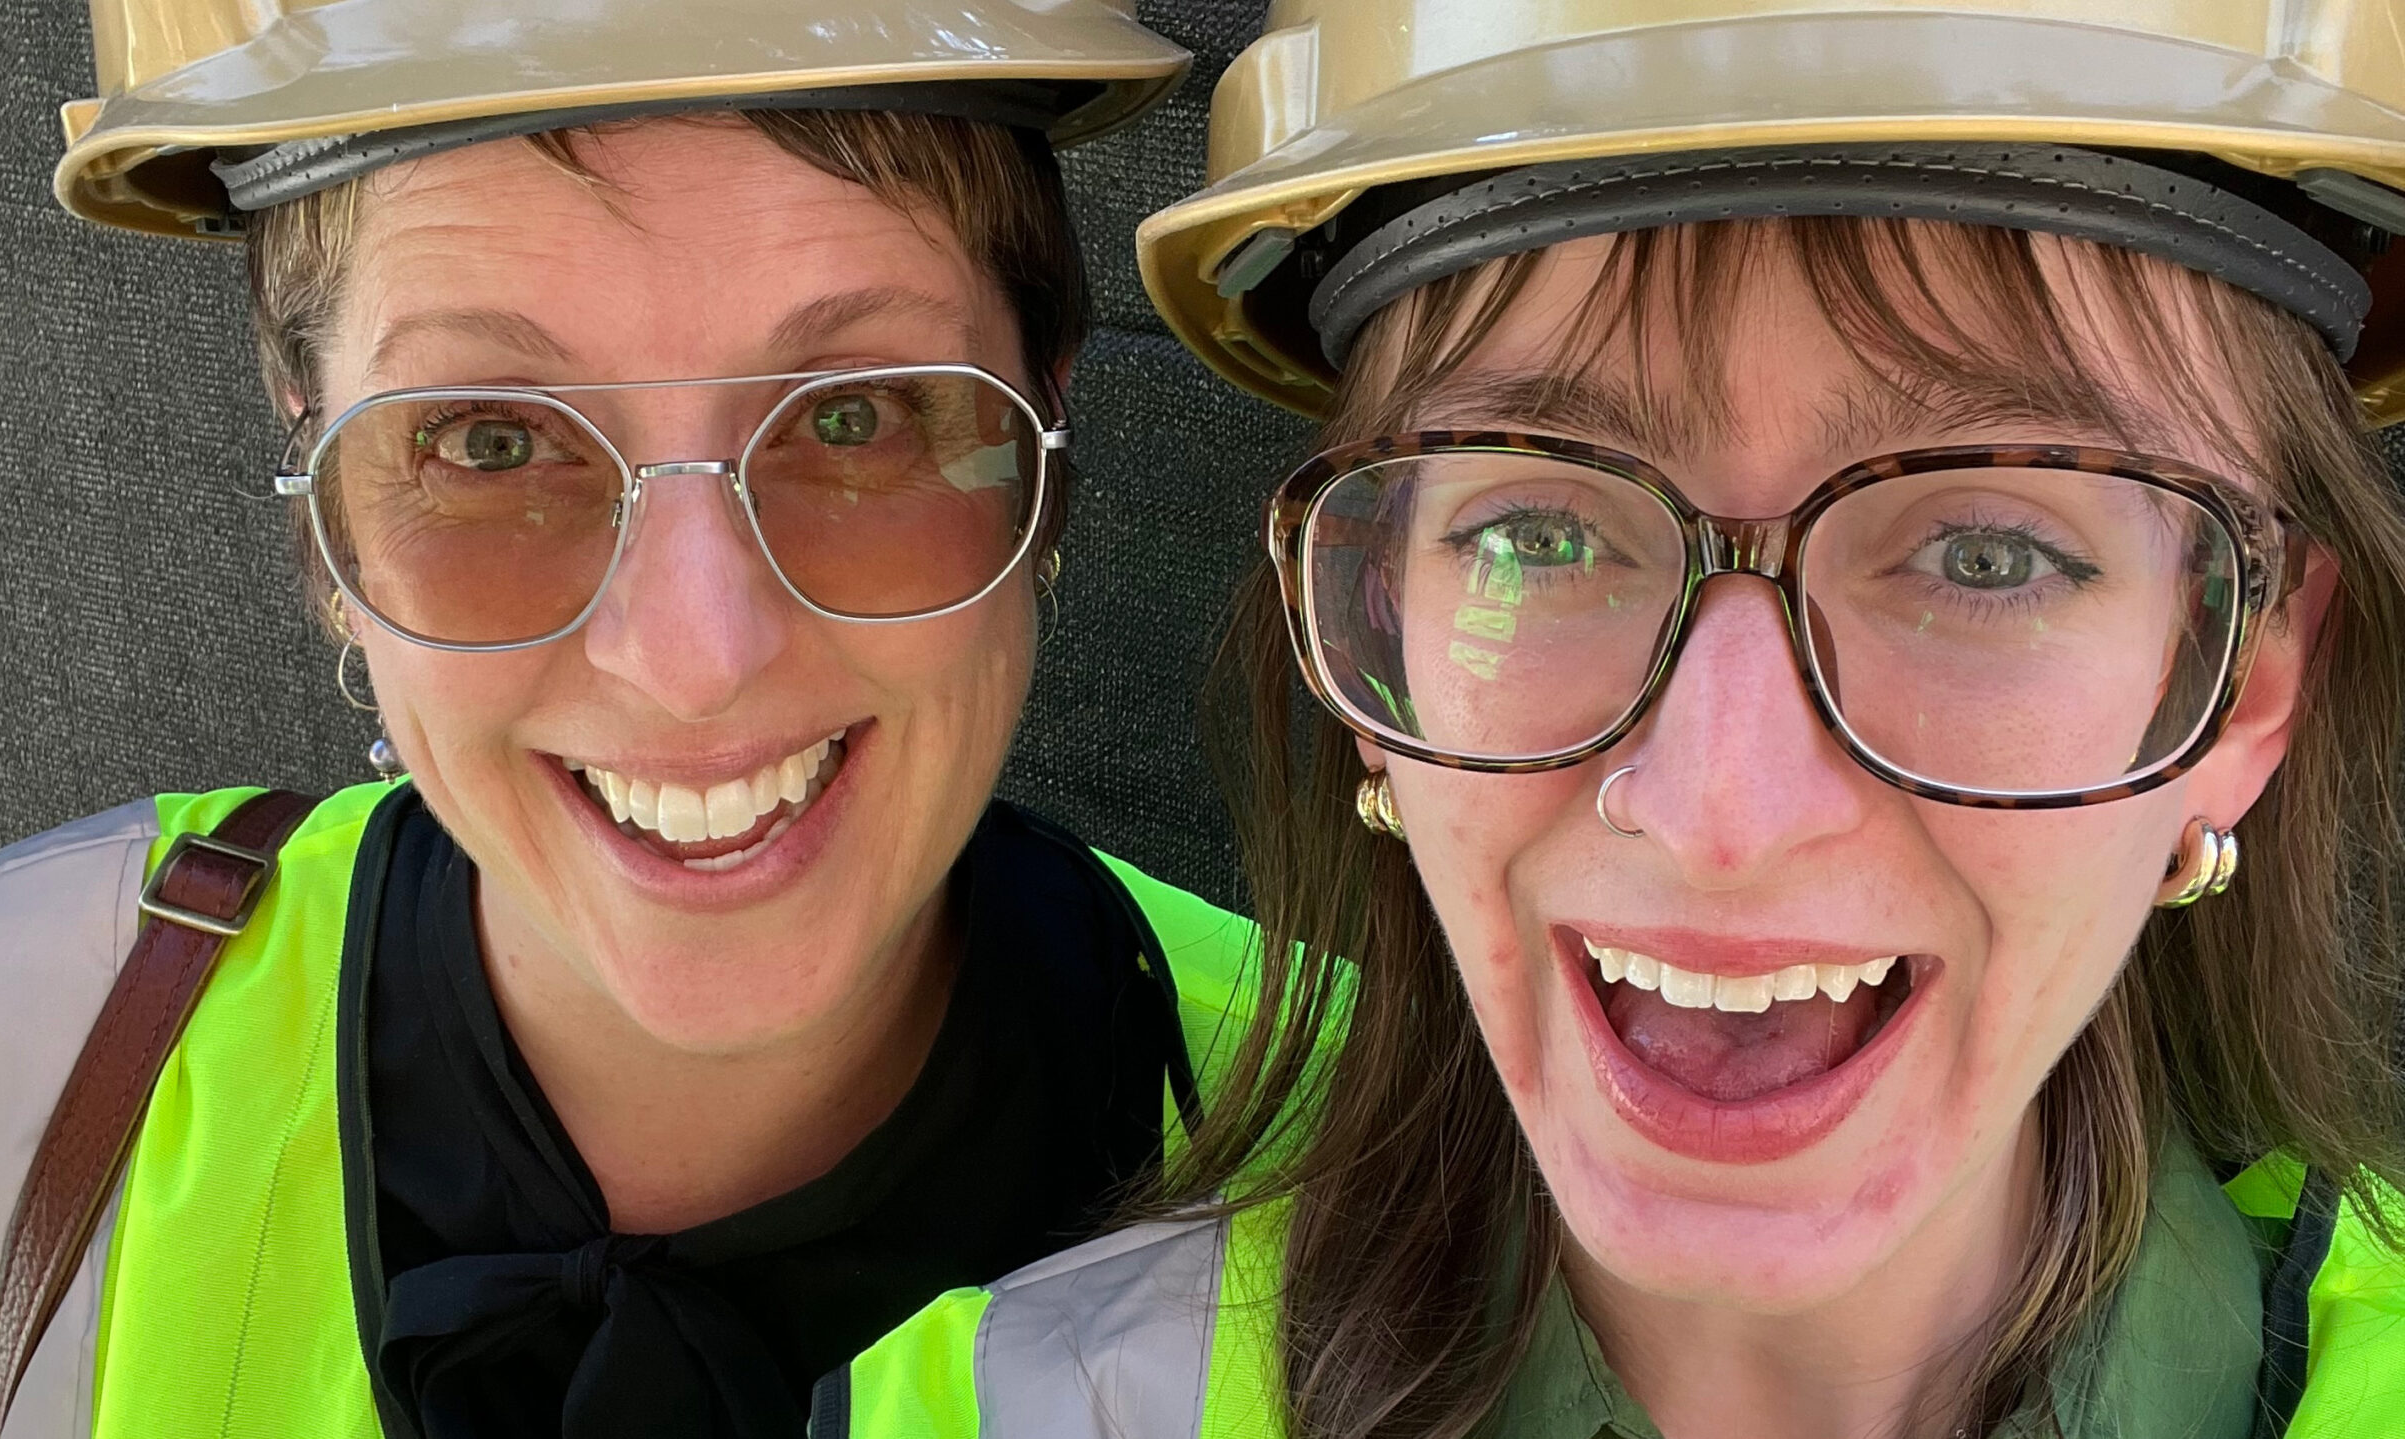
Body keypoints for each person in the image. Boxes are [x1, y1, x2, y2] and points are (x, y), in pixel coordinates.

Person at [822, 3, 2405, 1437]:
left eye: (1988, 556)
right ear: (1377, 651)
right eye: (1541, 533)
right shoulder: (1002, 1409)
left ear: (2244, 687)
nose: (1722, 812)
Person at [0, 4, 1266, 1437]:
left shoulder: (1385, 1147)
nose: (693, 658)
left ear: (1050, 448)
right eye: (489, 442)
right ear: (326, 507)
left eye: (859, 417)